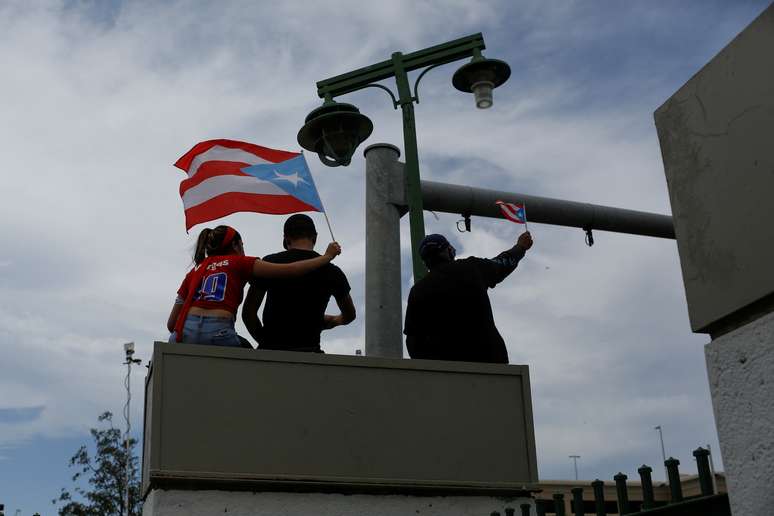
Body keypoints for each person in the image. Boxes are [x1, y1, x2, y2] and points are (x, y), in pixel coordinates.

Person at [166, 224, 341, 347]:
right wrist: (326, 257)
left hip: (184, 333)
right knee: (250, 358)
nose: (243, 250)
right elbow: (292, 270)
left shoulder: (194, 272)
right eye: (242, 245)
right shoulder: (240, 262)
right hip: (219, 332)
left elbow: (171, 323)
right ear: (234, 245)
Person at [403, 231, 533, 364]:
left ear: (426, 261)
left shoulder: (417, 291)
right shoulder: (472, 268)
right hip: (492, 364)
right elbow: (502, 264)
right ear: (448, 251)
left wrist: (433, 367)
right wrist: (520, 247)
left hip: (446, 373)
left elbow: (413, 341)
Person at [242, 214, 355, 352]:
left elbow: (248, 313)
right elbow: (350, 315)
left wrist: (265, 341)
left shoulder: (269, 263)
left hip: (271, 353)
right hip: (309, 354)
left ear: (286, 238)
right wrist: (332, 321)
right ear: (315, 237)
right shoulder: (332, 271)